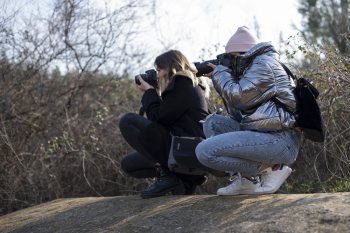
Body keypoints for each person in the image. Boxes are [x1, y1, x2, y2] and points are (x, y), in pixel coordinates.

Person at [195, 26, 301, 195]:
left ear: (241, 55)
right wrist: (223, 78)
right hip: (265, 135)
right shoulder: (251, 69)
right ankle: (247, 181)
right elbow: (237, 114)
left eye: (230, 58)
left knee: (205, 151)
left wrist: (221, 73)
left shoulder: (265, 63)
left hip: (281, 140)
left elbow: (239, 97)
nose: (228, 62)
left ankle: (273, 169)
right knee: (213, 123)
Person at [119, 49, 210, 198]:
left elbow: (158, 118)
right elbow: (166, 119)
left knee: (128, 121)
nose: (157, 75)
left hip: (186, 150)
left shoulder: (183, 83)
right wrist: (156, 92)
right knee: (129, 164)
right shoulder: (187, 86)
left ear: (171, 68)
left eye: (159, 70)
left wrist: (149, 92)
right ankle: (180, 180)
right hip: (185, 150)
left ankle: (170, 176)